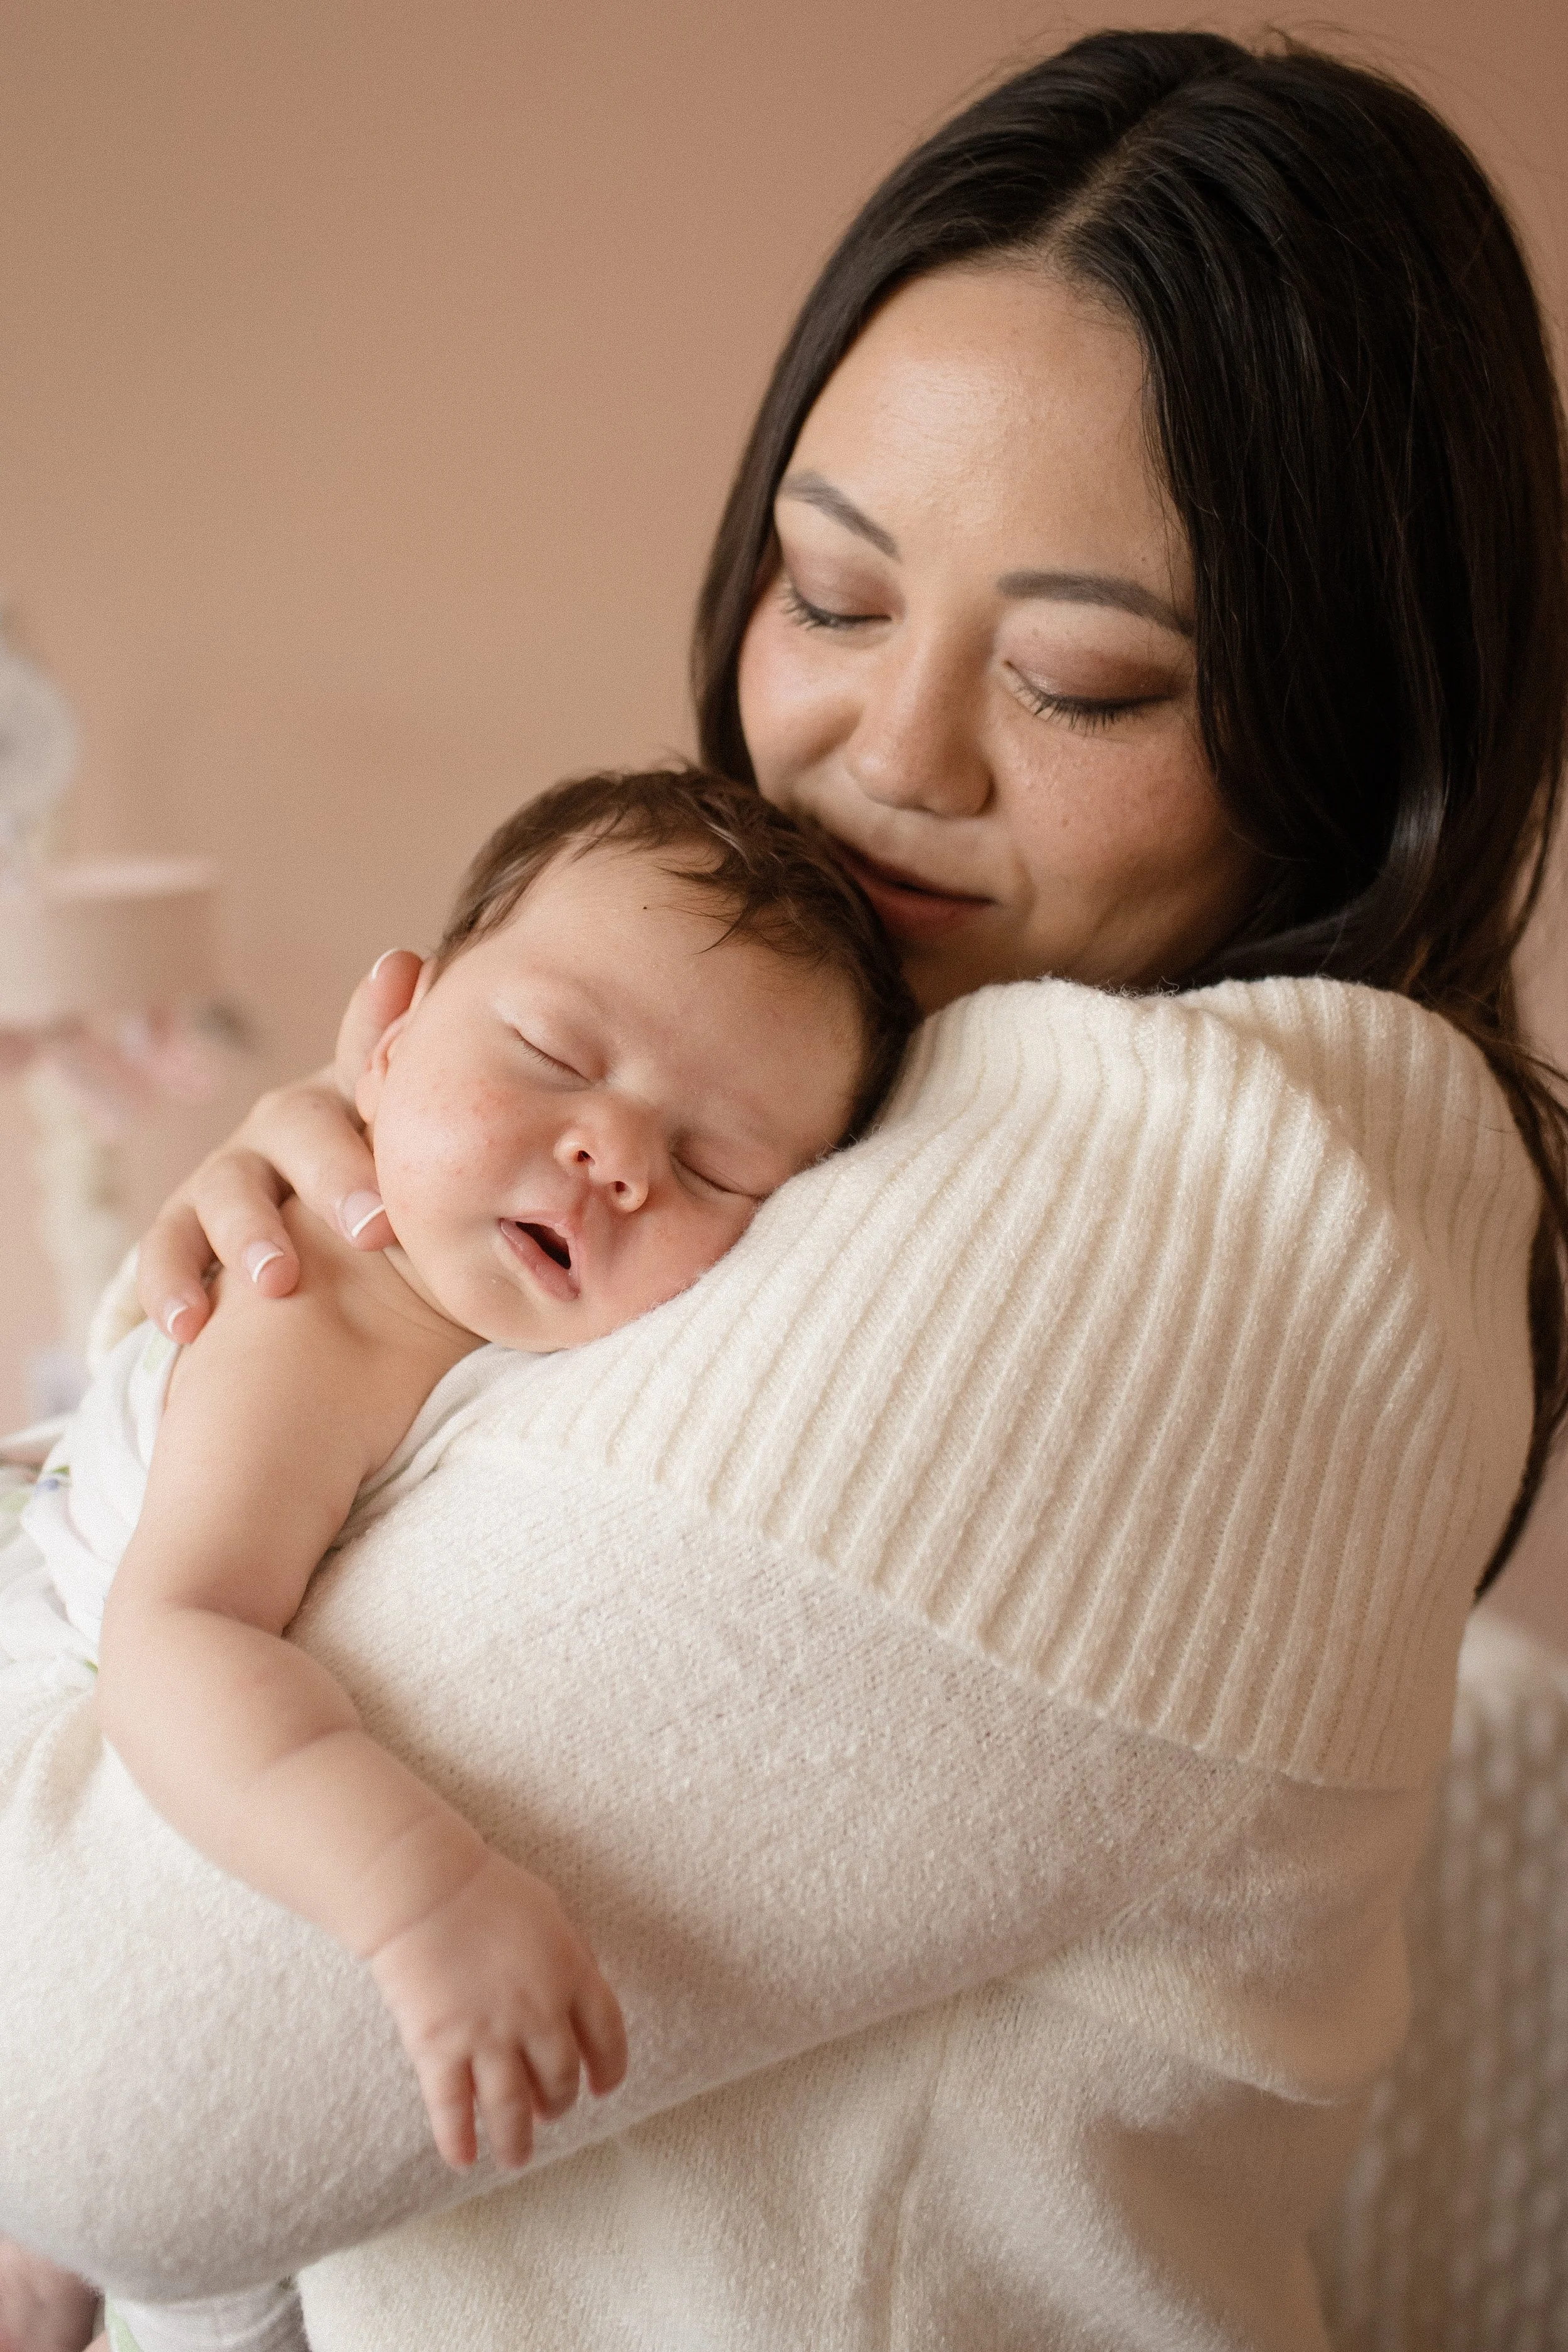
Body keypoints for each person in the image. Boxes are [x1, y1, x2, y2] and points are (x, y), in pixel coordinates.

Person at [1, 29, 1565, 2352]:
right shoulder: (880, 1096)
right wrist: (322, 1275)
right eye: (829, 602)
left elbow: (98, 2116)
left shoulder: (1194, 1207)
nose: (882, 757)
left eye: (1086, 679)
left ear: (1358, 744)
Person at [0, 767, 916, 2352]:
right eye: (554, 1056)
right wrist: (417, 1897)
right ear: (389, 1027)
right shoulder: (322, 1312)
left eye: (714, 1170)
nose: (611, 1151)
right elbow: (183, 1636)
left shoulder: (533, 1338)